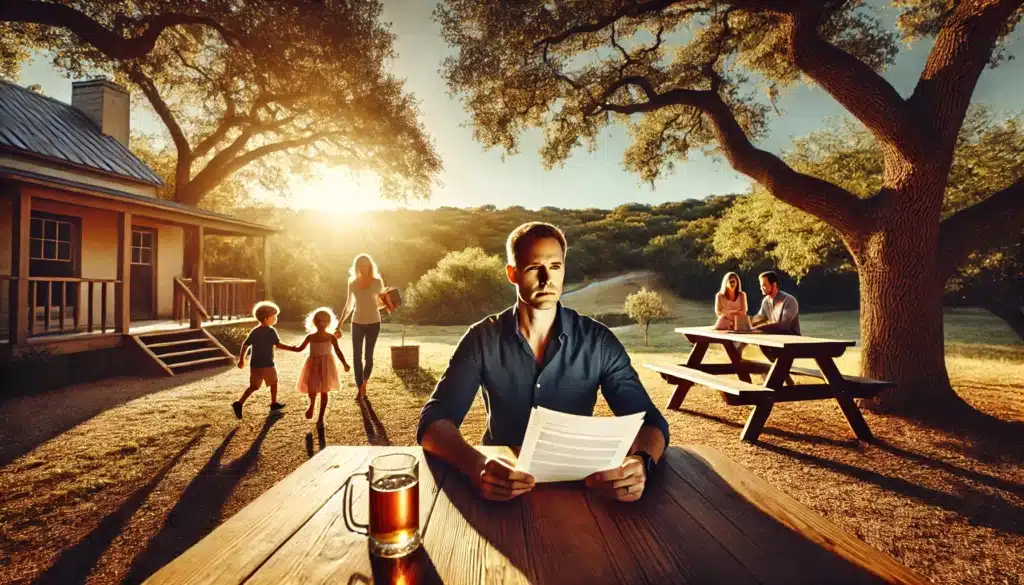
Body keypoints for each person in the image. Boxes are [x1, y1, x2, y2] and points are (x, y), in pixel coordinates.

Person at [417, 222, 669, 503]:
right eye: (535, 267)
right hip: (501, 487)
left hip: (579, 490)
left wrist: (641, 462)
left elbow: (650, 421)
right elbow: (433, 423)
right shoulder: (481, 338)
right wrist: (476, 465)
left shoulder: (598, 341)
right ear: (512, 273)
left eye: (556, 266)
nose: (547, 278)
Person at [233, 301, 295, 419]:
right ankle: (273, 403)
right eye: (274, 316)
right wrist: (292, 348)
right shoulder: (271, 331)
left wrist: (242, 360)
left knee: (254, 386)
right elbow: (278, 345)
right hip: (267, 364)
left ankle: (239, 403)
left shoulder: (255, 331)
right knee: (274, 382)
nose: (276, 318)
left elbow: (245, 345)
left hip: (255, 365)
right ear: (266, 318)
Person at [335, 254, 385, 400]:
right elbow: (349, 305)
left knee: (368, 356)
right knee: (357, 357)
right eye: (360, 265)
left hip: (374, 322)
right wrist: (340, 324)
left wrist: (388, 303)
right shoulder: (353, 283)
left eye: (366, 265)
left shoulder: (377, 282)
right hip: (357, 322)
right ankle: (360, 387)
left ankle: (364, 383)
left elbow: (380, 303)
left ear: (370, 266)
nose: (363, 268)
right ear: (356, 267)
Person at [294, 307, 351, 425]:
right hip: (313, 363)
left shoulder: (331, 337)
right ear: (315, 322)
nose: (322, 324)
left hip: (327, 365)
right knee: (312, 387)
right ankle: (311, 405)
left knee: (325, 391)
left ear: (329, 322)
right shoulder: (311, 337)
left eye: (325, 321)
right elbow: (300, 349)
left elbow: (338, 351)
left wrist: (345, 363)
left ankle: (321, 417)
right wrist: (284, 346)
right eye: (319, 321)